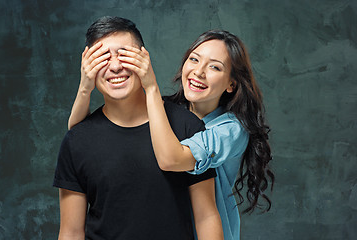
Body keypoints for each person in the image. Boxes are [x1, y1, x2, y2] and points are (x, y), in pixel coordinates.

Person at [68, 25, 274, 240]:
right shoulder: (165, 110)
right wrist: (85, 87)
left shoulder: (230, 129)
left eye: (214, 67)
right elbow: (80, 139)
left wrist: (151, 87)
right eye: (194, 59)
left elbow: (171, 160)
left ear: (231, 84)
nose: (199, 72)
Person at [53, 16, 223, 240]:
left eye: (124, 55)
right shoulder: (76, 140)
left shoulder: (187, 126)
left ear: (144, 58)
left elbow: (206, 217)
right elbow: (71, 232)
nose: (115, 66)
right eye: (103, 58)